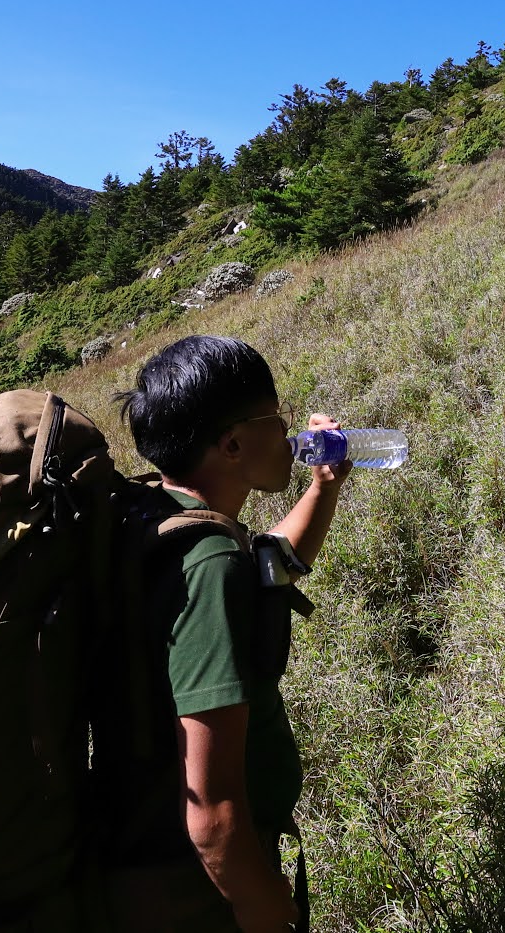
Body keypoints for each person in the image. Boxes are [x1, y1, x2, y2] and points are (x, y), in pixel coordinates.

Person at [100, 335, 351, 933]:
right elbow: (211, 815)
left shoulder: (158, 514)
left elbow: (272, 562)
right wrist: (268, 910)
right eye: (275, 418)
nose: (288, 433)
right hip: (193, 890)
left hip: (142, 863)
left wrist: (324, 484)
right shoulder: (209, 566)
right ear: (233, 443)